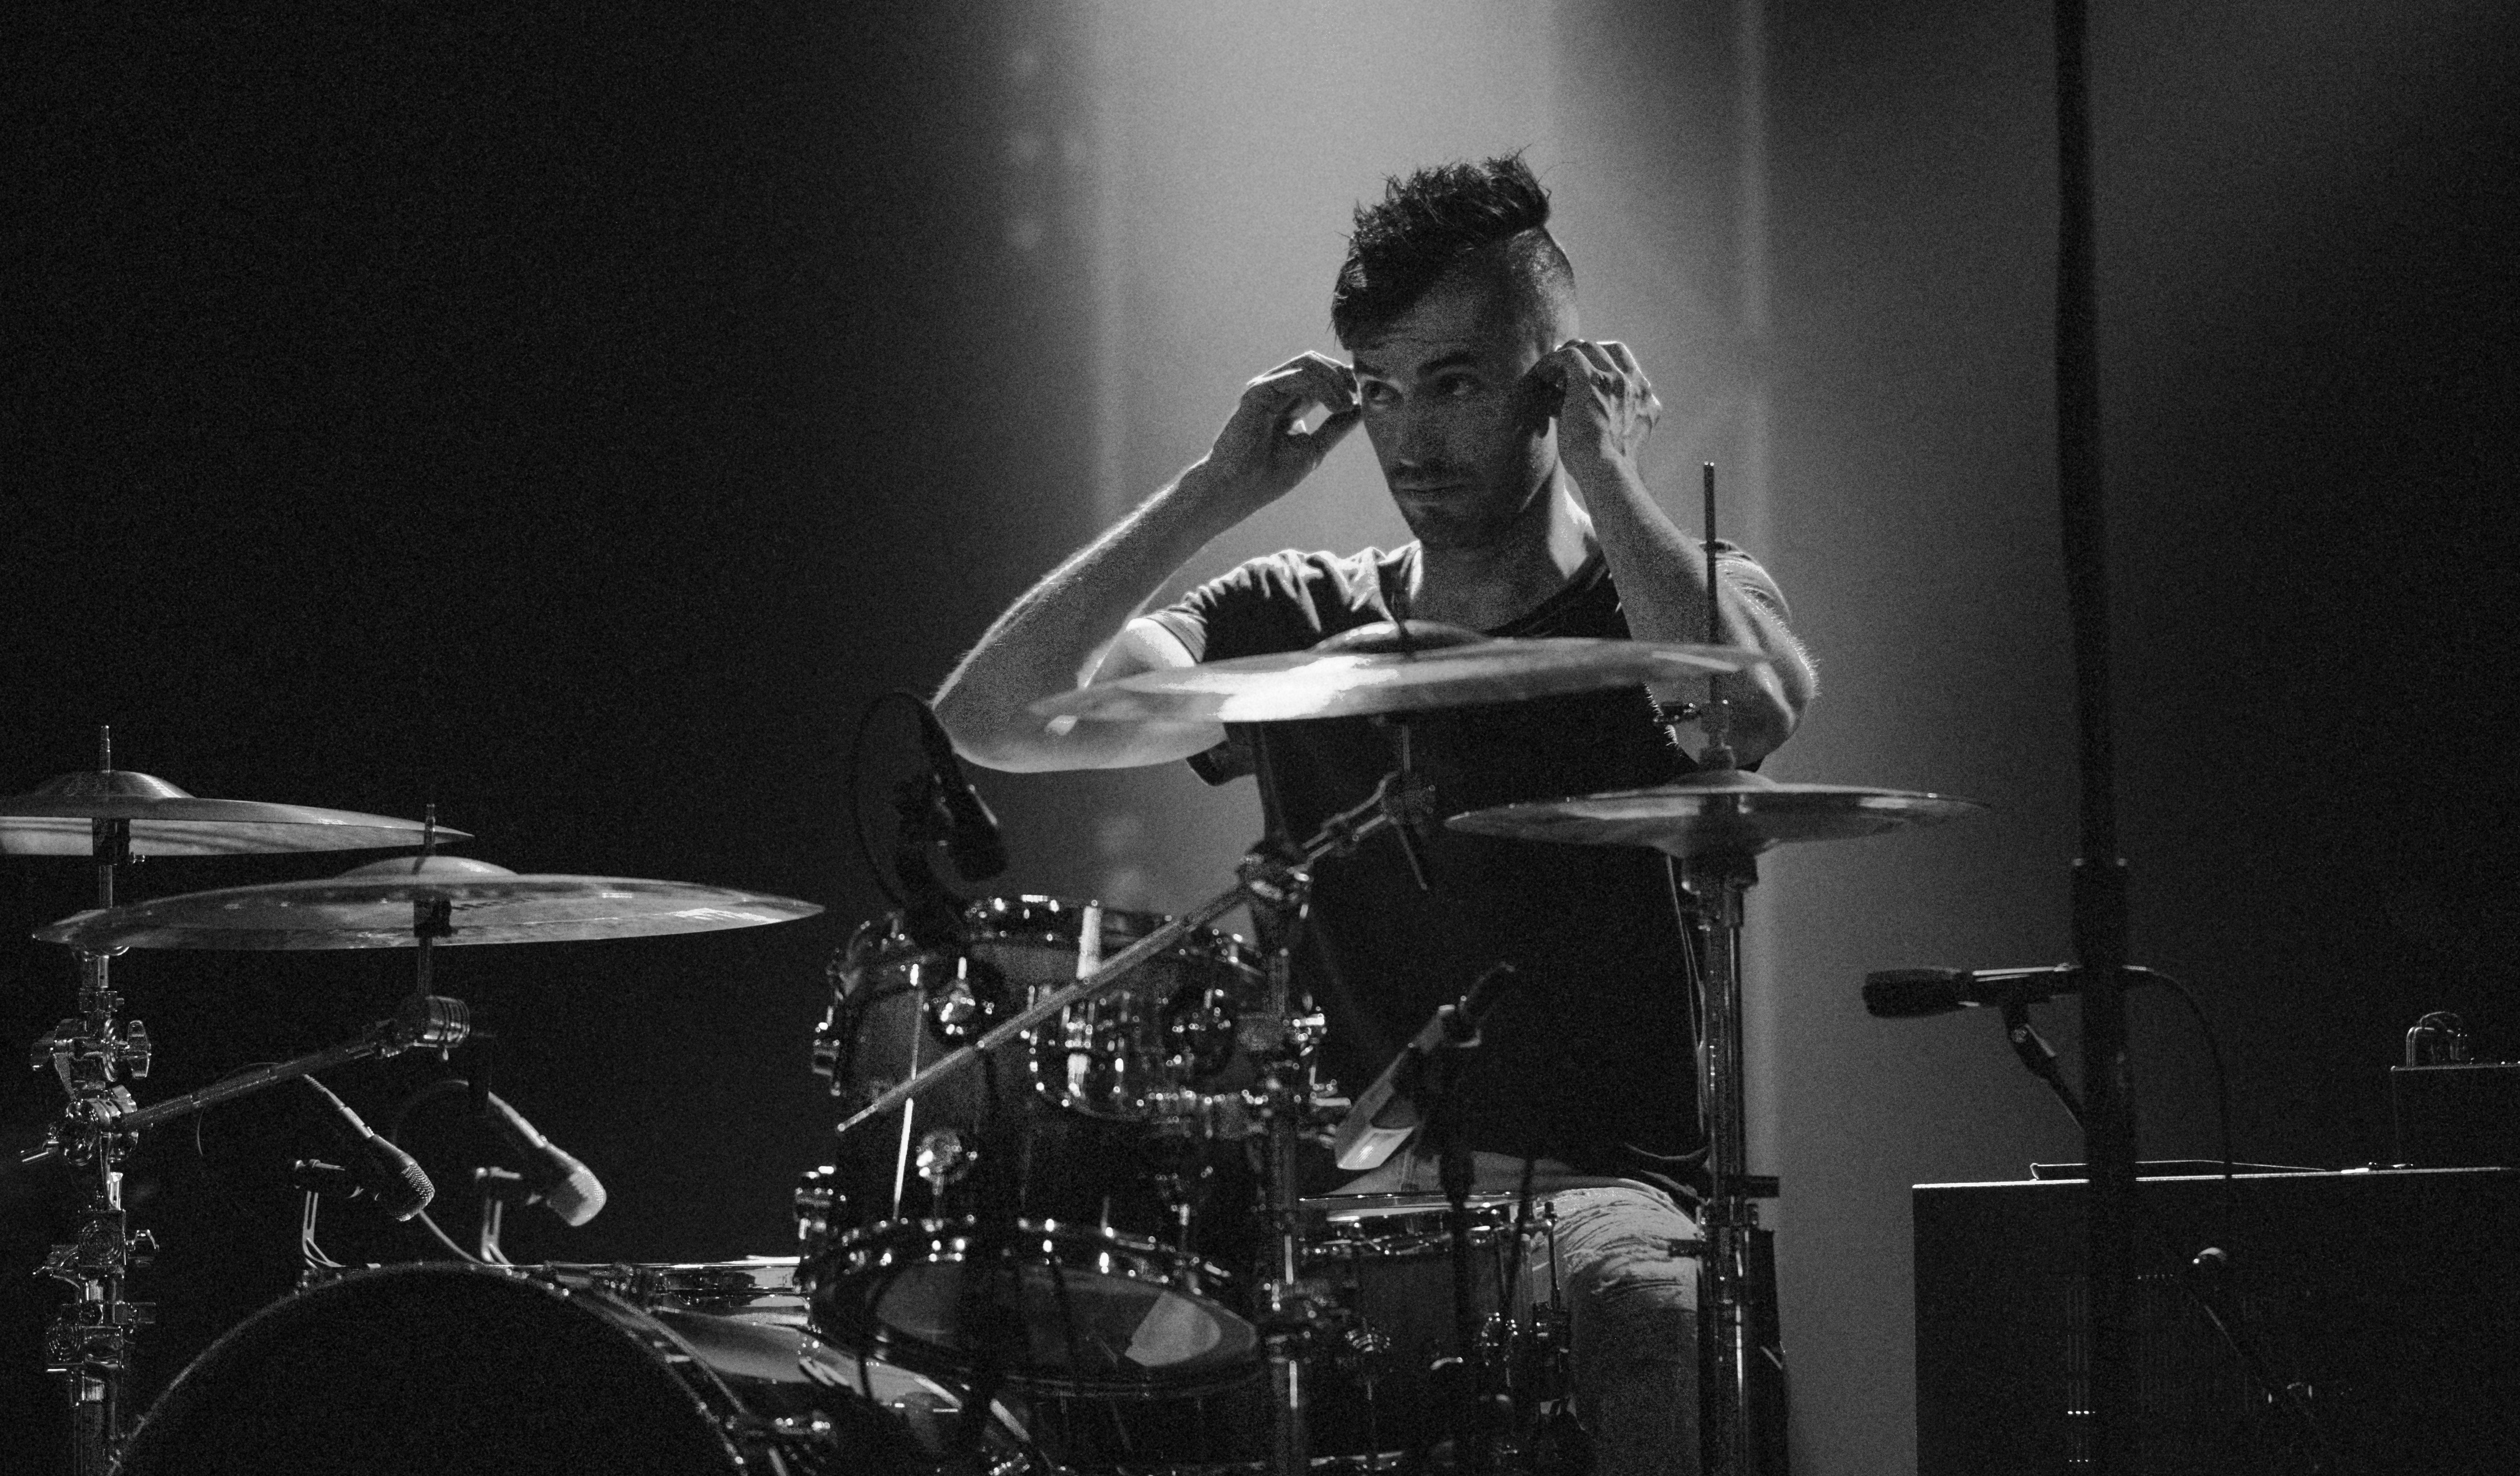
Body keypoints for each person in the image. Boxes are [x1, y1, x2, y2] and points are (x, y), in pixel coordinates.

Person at [934, 155, 1815, 1476]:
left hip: (1600, 1205)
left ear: (1559, 377)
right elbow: (994, 717)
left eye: (1454, 382)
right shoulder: (1290, 618)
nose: (1409, 435)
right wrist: (1213, 492)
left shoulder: (1669, 592)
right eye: (1381, 391)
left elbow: (1746, 710)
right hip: (1340, 1216)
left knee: (1656, 1312)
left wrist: (1608, 474)